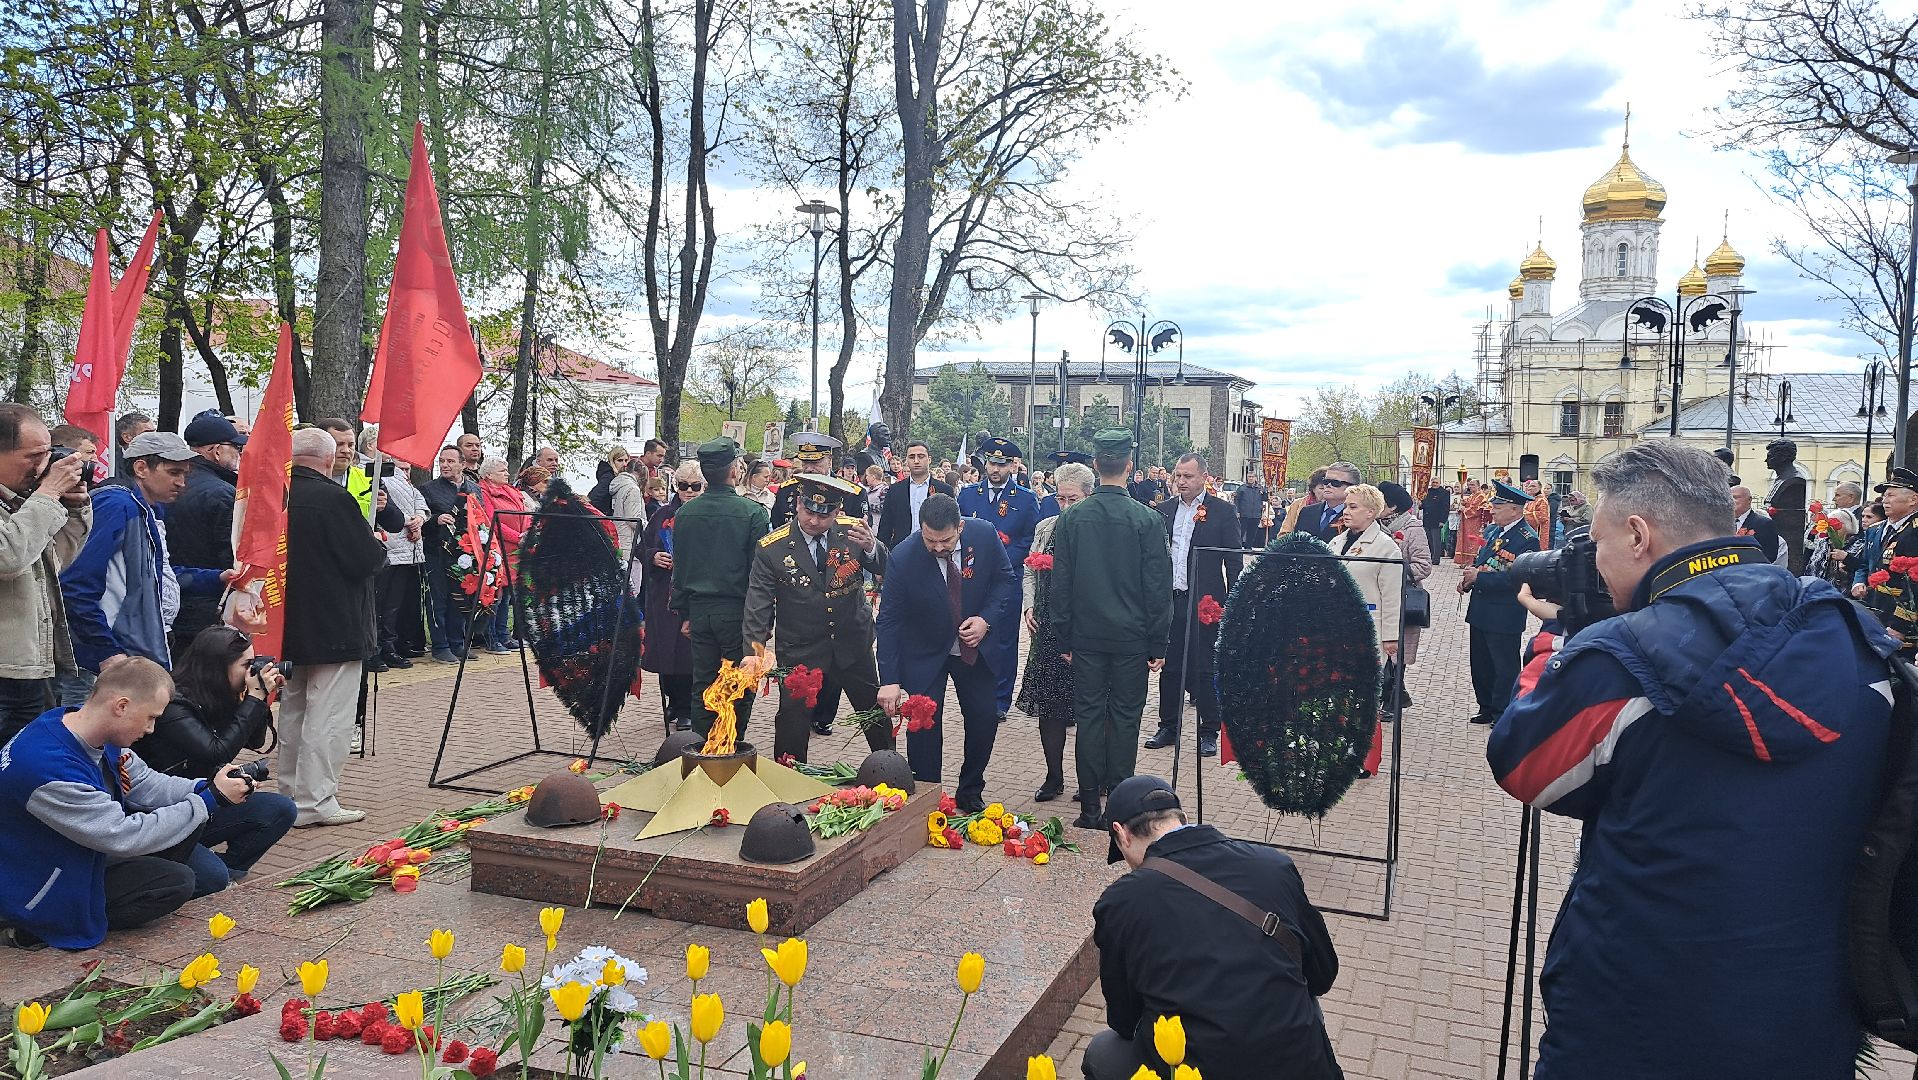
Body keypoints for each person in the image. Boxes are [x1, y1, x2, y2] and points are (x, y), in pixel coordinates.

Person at [1487, 441, 1893, 1079]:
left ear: (1638, 535)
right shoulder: (1853, 634)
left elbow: (1525, 766)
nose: (1593, 561)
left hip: (1635, 1010)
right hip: (1808, 1008)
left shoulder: (1616, 657)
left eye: (1597, 542)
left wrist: (1556, 643)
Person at [1087, 775, 1341, 1080]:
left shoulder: (1121, 902)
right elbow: (1322, 974)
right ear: (1180, 819)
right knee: (1305, 1003)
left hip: (1192, 1069)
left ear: (1121, 833)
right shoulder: (1273, 866)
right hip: (1303, 1066)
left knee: (1102, 1053)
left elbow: (1124, 1020)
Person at [0, 658, 254, 949]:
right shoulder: (47, 768)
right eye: (150, 717)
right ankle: (31, 929)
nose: (152, 729)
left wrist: (206, 788)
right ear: (121, 706)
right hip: (35, 882)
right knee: (178, 882)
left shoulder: (73, 724)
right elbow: (122, 835)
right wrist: (208, 801)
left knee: (204, 875)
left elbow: (145, 783)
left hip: (71, 853)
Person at [1050, 431, 1172, 830]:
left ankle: (1089, 808)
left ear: (1097, 467)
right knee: (1125, 718)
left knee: (1087, 717)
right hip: (1132, 638)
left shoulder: (1072, 518)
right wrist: (1159, 641)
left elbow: (1060, 584)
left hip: (1086, 636)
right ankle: (1118, 805)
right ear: (1129, 468)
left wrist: (1063, 636)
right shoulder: (1148, 519)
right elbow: (1157, 587)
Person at [60, 431, 225, 705]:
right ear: (141, 468)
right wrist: (105, 651)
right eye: (174, 472)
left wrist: (217, 578)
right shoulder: (116, 504)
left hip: (133, 650)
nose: (182, 483)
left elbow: (158, 578)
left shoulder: (149, 507)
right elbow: (76, 583)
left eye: (185, 474)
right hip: (107, 660)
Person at [876, 493, 1016, 812]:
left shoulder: (984, 535)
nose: (938, 548)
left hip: (975, 648)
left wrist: (986, 620)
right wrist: (890, 679)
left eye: (946, 540)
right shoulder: (904, 556)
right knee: (924, 724)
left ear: (960, 527)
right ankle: (928, 795)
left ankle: (970, 789)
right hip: (926, 651)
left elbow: (1005, 582)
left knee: (983, 718)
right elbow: (889, 621)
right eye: (930, 540)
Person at [134, 626, 296, 893]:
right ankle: (178, 871)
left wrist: (260, 697)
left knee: (280, 809)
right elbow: (216, 751)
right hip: (163, 815)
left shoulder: (221, 693)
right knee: (210, 878)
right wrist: (254, 697)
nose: (252, 671)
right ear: (218, 666)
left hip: (203, 803)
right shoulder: (174, 705)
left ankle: (226, 869)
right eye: (247, 665)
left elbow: (254, 742)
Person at [281, 427, 387, 827]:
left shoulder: (278, 494)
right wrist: (376, 544)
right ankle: (316, 800)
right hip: (335, 623)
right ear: (327, 460)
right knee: (328, 716)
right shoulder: (333, 498)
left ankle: (289, 792)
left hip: (288, 623)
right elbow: (365, 560)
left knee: (293, 710)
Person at [744, 474, 892, 762]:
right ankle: (789, 777)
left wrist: (873, 548)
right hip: (801, 646)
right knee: (792, 719)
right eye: (808, 511)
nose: (814, 521)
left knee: (873, 712)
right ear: (798, 504)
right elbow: (758, 603)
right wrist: (754, 651)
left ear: (837, 512)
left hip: (852, 640)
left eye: (824, 515)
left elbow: (887, 567)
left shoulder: (853, 533)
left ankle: (889, 768)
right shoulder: (771, 548)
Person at [0, 405, 92, 741]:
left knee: (21, 776)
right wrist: (48, 493)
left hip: (32, 670)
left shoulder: (21, 503)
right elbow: (8, 556)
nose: (43, 465)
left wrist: (75, 507)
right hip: (4, 671)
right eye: (34, 455)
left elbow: (50, 561)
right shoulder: (33, 501)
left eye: (47, 454)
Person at [1145, 453, 1242, 759]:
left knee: (1204, 666)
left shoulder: (1223, 511)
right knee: (1170, 666)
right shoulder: (1164, 510)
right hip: (1171, 600)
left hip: (1205, 601)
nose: (1181, 482)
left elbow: (1234, 560)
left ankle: (1209, 730)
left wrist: (1232, 602)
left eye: (1187, 476)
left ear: (1204, 477)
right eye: (1177, 476)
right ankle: (1168, 726)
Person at [672, 437, 770, 737]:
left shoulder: (685, 514)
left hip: (700, 611)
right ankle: (730, 746)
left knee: (703, 681)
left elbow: (681, 567)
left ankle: (701, 747)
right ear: (734, 471)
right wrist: (763, 623)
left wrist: (684, 613)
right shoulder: (752, 513)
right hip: (738, 612)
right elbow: (760, 573)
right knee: (739, 682)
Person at [1018, 462, 1093, 801]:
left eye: (1072, 499)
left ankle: (1092, 780)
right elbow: (1031, 571)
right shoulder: (1046, 527)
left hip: (1085, 630)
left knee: (1088, 709)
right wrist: (1030, 605)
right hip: (1047, 628)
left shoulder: (1095, 530)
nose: (1064, 506)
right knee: (1049, 709)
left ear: (1088, 497)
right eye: (1060, 498)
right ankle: (1053, 777)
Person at [957, 436, 1039, 719]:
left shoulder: (1026, 499)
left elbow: (1029, 538)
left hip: (1008, 578)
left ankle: (1000, 700)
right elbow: (959, 532)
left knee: (1004, 640)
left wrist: (1002, 558)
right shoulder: (967, 495)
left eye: (1002, 464)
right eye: (991, 463)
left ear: (1013, 466)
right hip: (972, 577)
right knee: (971, 634)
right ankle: (973, 695)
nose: (995, 469)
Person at [1332, 484, 1403, 779]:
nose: (1346, 512)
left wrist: (1390, 637)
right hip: (1335, 629)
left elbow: (1391, 595)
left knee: (1363, 696)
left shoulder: (1386, 547)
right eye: (1346, 506)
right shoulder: (1336, 543)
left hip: (1368, 629)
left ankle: (1363, 756)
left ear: (1372, 512)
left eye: (1353, 507)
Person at [166, 413, 247, 656]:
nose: (239, 453)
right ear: (215, 451)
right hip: (208, 604)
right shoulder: (223, 493)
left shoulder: (171, 485)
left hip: (174, 601)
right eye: (234, 447)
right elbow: (230, 554)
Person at [1458, 479, 1537, 725]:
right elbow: (1483, 562)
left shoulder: (1527, 538)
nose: (1492, 509)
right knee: (1480, 663)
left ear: (1515, 509)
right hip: (1481, 609)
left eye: (1498, 505)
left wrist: (1479, 578)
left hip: (1504, 613)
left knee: (1504, 665)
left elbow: (1518, 579)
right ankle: (1487, 706)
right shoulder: (1493, 531)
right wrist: (1470, 579)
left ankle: (1503, 711)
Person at [640, 462, 702, 731]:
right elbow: (641, 546)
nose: (688, 491)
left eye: (695, 486)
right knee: (666, 650)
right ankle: (673, 701)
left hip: (694, 592)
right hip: (663, 592)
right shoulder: (663, 514)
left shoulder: (705, 514)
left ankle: (687, 705)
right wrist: (654, 555)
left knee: (688, 653)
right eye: (683, 486)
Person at [363, 428, 428, 670]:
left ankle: (390, 646)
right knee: (379, 604)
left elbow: (418, 500)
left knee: (394, 604)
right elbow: (387, 507)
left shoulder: (398, 475)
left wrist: (419, 518)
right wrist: (408, 520)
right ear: (373, 446)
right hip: (388, 545)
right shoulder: (369, 472)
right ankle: (376, 649)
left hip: (408, 548)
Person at [1376, 482, 1432, 719]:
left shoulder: (1412, 529)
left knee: (1396, 653)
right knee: (1379, 650)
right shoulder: (1373, 528)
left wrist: (1396, 569)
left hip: (1402, 598)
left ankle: (1392, 702)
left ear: (1393, 507)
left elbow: (1423, 565)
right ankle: (1392, 696)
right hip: (1377, 598)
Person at [420, 445, 478, 664]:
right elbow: (421, 519)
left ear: (462, 464)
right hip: (437, 552)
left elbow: (480, 516)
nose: (445, 465)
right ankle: (440, 645)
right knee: (439, 600)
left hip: (464, 554)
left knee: (460, 599)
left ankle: (457, 642)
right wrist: (436, 519)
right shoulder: (429, 489)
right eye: (442, 461)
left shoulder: (474, 488)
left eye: (450, 461)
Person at [1863, 467, 1918, 657]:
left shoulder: (1914, 532)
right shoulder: (1897, 528)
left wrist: (1899, 626)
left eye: (1891, 495)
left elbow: (1914, 584)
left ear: (1913, 500)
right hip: (1884, 609)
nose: (1885, 500)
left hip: (1903, 622)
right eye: (1885, 496)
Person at [476, 457, 529, 653]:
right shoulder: (484, 491)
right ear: (489, 475)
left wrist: (526, 534)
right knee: (495, 595)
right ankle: (491, 637)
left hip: (514, 551)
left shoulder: (510, 491)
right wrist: (518, 537)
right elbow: (492, 521)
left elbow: (523, 514)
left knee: (506, 595)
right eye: (502, 471)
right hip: (497, 549)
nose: (507, 473)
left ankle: (503, 634)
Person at [771, 432, 865, 529]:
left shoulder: (854, 493)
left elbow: (861, 533)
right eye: (805, 462)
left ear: (829, 461)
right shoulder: (786, 490)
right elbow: (776, 528)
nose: (809, 468)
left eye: (815, 462)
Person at [877, 440, 952, 548]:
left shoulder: (944, 490)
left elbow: (951, 526)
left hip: (936, 550)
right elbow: (885, 527)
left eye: (921, 456)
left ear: (929, 459)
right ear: (906, 461)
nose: (916, 461)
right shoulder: (895, 491)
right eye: (912, 457)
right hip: (902, 550)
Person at [315, 417, 372, 518]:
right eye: (339, 444)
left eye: (351, 445)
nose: (346, 450)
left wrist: (384, 508)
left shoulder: (369, 479)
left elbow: (396, 523)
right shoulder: (301, 479)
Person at [1289, 464, 1359, 541]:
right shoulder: (1306, 512)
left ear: (1353, 488)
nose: (1328, 485)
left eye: (1336, 483)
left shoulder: (1358, 516)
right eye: (1326, 481)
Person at [609, 450, 647, 556]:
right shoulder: (633, 489)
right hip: (631, 543)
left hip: (621, 539)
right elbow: (633, 520)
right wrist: (648, 525)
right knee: (633, 571)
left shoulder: (620, 485)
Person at [1454, 479, 1491, 565]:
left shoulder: (1480, 496)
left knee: (1473, 541)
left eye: (1473, 485)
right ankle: (1465, 561)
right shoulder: (1472, 495)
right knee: (1466, 540)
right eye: (1470, 485)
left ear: (1478, 486)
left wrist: (1464, 509)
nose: (1471, 487)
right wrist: (1463, 504)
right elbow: (1467, 503)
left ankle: (1472, 561)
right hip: (1467, 522)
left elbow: (1475, 509)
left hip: (1475, 522)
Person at [112, 411, 155, 480]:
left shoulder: (161, 461)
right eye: (147, 433)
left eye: (154, 433)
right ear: (127, 437)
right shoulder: (110, 466)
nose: (154, 437)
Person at [1232, 475, 1266, 548]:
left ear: (1255, 478)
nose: (1251, 478)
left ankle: (1249, 547)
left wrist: (1267, 492)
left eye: (1252, 477)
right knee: (1241, 531)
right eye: (1249, 477)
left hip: (1256, 514)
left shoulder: (1259, 488)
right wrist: (1237, 511)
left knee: (1252, 532)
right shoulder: (1242, 488)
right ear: (1247, 478)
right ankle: (1238, 547)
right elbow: (1236, 500)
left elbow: (1265, 498)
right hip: (1244, 514)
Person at [1419, 480, 1450, 560]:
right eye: (1433, 482)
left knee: (1436, 540)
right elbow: (1423, 504)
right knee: (1429, 540)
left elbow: (1446, 508)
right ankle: (1430, 556)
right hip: (1427, 519)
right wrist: (1420, 505)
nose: (1435, 484)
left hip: (1437, 520)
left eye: (1436, 482)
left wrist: (1442, 520)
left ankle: (1436, 558)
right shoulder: (1427, 492)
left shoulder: (1444, 493)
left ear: (1440, 483)